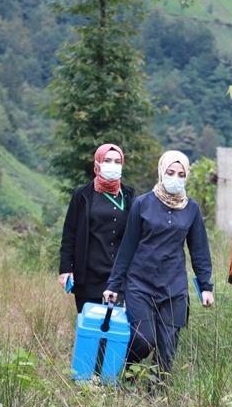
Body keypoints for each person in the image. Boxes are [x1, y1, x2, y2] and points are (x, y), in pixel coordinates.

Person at [103, 150, 214, 382]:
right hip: (140, 284)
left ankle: (157, 393)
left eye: (181, 174)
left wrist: (206, 287)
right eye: (171, 172)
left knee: (167, 348)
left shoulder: (191, 209)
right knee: (143, 339)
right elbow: (127, 247)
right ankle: (127, 375)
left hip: (174, 287)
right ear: (161, 171)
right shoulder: (142, 204)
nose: (175, 178)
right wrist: (114, 285)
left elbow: (199, 250)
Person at [58, 144, 135, 313]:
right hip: (88, 274)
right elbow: (69, 233)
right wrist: (66, 269)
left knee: (115, 322)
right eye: (107, 160)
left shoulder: (129, 195)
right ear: (98, 163)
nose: (113, 165)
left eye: (117, 161)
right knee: (89, 322)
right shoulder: (82, 194)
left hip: (118, 276)